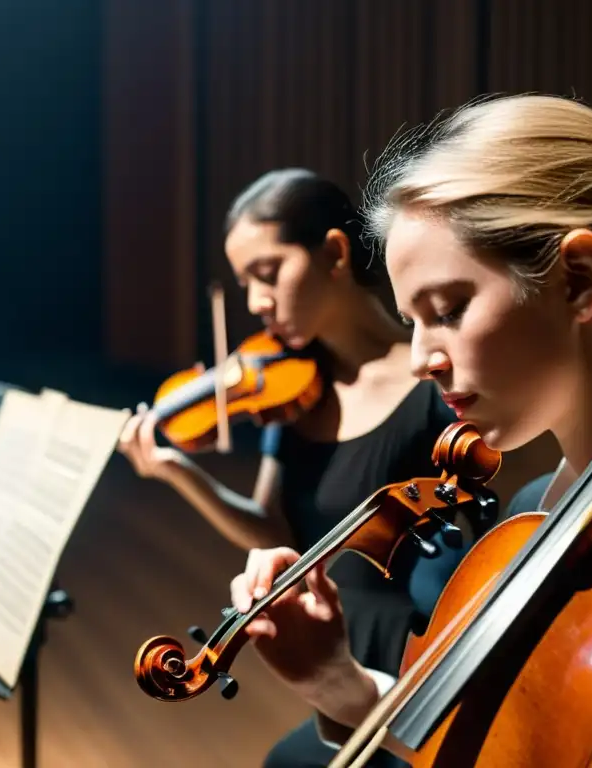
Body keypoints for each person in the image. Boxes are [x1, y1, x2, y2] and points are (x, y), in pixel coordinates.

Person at [228, 93, 592, 761]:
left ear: (577, 280)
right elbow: (488, 744)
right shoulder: (530, 515)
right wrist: (337, 681)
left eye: (449, 309)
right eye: (413, 321)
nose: (422, 359)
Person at [117, 169, 466, 767]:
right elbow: (276, 533)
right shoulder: (293, 390)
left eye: (268, 273)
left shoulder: (438, 387)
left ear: (333, 252)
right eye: (244, 282)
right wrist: (178, 472)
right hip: (333, 641)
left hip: (413, 646)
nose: (255, 302)